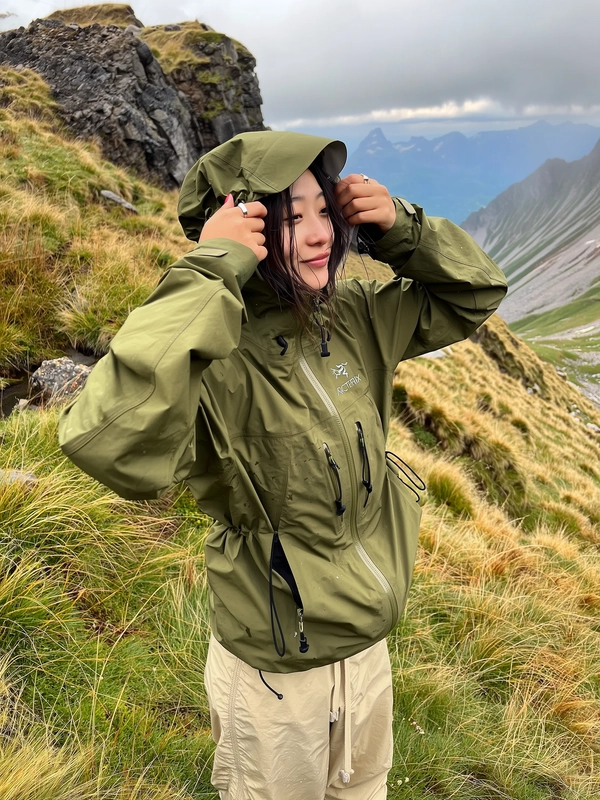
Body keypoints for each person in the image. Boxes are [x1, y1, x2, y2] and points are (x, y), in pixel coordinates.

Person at [59, 131, 507, 799]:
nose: (320, 233)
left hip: (365, 647)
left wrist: (402, 228)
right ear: (247, 230)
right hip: (275, 674)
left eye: (325, 210)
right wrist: (213, 266)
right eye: (291, 218)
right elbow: (107, 439)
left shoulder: (353, 316)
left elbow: (474, 294)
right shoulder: (214, 352)